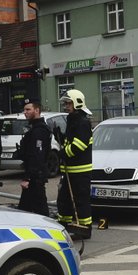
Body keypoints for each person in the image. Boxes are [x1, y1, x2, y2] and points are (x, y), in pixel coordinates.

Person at [57, 89, 93, 239]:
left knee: (80, 200)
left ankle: (84, 228)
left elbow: (78, 145)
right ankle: (64, 225)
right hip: (71, 170)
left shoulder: (82, 122)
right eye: (65, 103)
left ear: (77, 103)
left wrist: (63, 153)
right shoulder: (74, 120)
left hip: (80, 170)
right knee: (64, 200)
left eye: (68, 103)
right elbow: (70, 141)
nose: (66, 106)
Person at [16, 98, 51, 216]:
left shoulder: (39, 131)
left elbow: (37, 156)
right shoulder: (34, 128)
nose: (25, 112)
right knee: (26, 211)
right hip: (34, 176)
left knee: (39, 210)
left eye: (28, 109)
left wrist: (27, 178)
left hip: (35, 177)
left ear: (36, 110)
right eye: (24, 110)